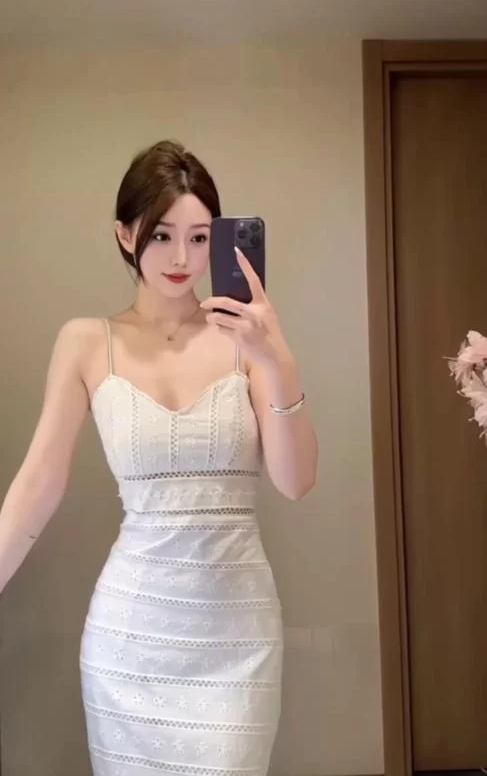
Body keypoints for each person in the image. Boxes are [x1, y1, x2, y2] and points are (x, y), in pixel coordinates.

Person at [0, 140, 318, 775]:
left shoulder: (248, 340)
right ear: (125, 234)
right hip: (130, 639)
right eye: (162, 235)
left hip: (236, 638)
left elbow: (295, 481)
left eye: (199, 239)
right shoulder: (86, 342)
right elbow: (38, 483)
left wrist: (276, 359)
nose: (181, 259)